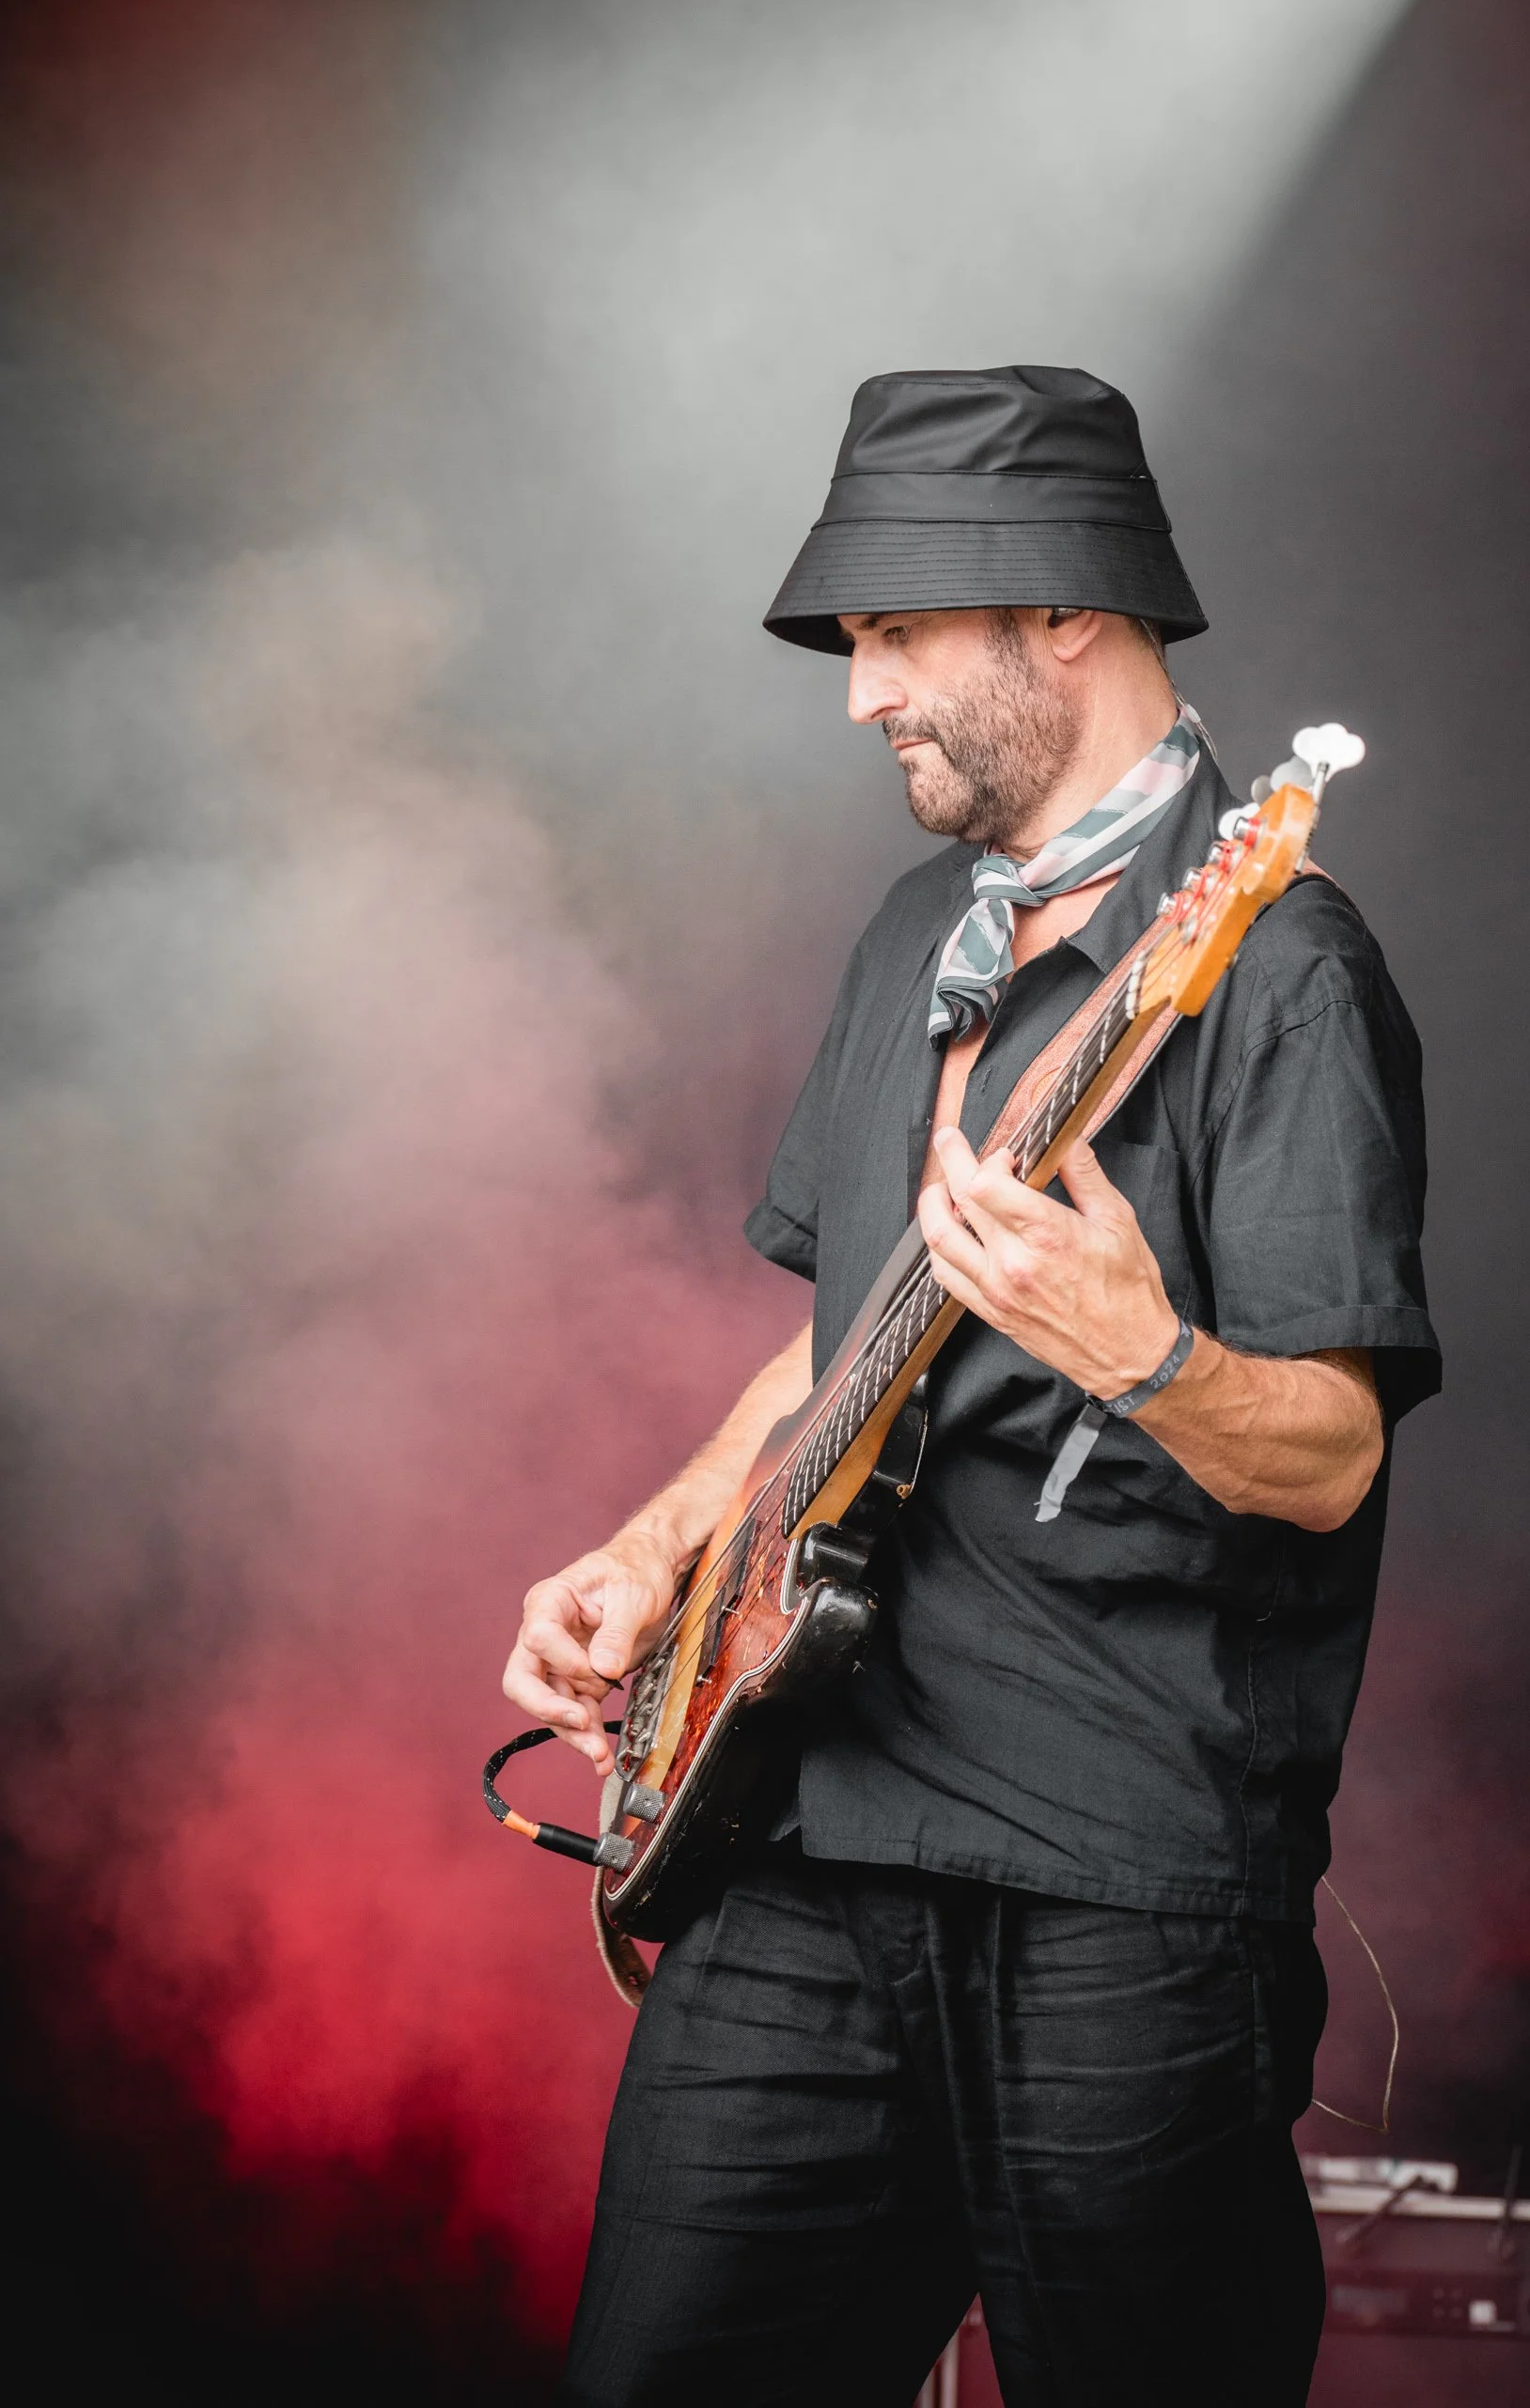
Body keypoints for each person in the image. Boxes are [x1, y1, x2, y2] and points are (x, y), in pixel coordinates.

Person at [503, 365, 1440, 2407]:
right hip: (799, 1840)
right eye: (854, 642)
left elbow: (1329, 1452)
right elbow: (837, 1336)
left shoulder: (1274, 965)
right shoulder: (915, 931)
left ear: (1066, 615)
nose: (860, 695)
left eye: (894, 632)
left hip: (1111, 1892)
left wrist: (1151, 1353)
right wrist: (656, 1553)